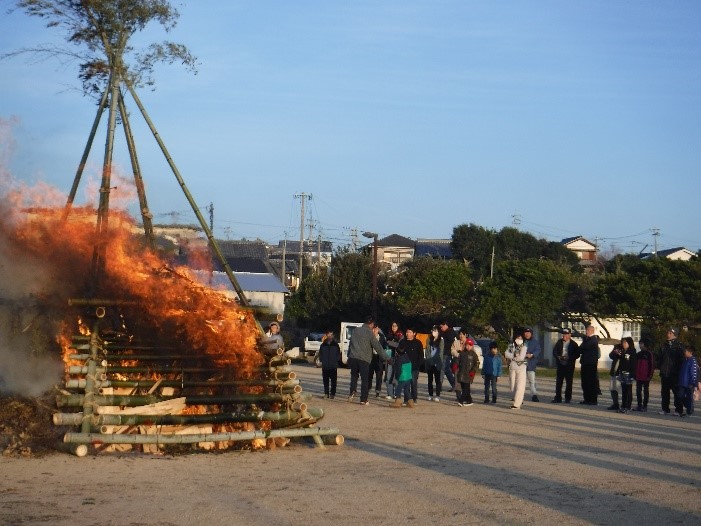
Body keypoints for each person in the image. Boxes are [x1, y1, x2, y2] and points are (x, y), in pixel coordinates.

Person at [347, 316, 386, 405]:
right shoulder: (369, 333)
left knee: (354, 376)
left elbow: (351, 344)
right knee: (365, 379)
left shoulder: (355, 330)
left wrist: (349, 356)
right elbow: (378, 347)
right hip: (364, 359)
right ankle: (363, 399)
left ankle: (352, 390)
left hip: (353, 357)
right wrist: (387, 358)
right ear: (371, 324)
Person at [657, 328, 684, 416]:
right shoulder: (664, 345)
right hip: (665, 373)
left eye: (670, 333)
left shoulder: (679, 346)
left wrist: (678, 371)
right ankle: (665, 409)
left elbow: (681, 360)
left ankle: (678, 410)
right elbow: (660, 358)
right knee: (664, 392)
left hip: (674, 374)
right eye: (667, 332)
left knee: (676, 392)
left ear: (674, 334)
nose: (668, 334)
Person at [397, 327, 424, 405]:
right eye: (407, 332)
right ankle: (407, 399)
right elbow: (399, 352)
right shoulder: (402, 342)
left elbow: (420, 355)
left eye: (409, 332)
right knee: (406, 383)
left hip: (415, 367)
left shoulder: (418, 343)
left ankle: (414, 398)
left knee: (413, 383)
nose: (408, 334)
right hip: (405, 366)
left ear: (414, 333)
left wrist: (418, 365)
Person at [551, 328, 579, 403]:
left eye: (566, 334)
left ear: (570, 335)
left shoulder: (574, 344)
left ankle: (568, 398)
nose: (564, 336)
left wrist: (569, 357)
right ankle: (558, 398)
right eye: (563, 334)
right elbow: (554, 352)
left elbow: (577, 354)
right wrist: (558, 357)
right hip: (560, 364)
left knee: (569, 382)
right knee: (559, 382)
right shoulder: (559, 342)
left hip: (569, 365)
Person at [578, 324, 600, 405]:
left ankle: (593, 400)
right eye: (586, 330)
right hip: (585, 363)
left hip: (591, 364)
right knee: (584, 382)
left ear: (592, 331)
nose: (586, 332)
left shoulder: (593, 340)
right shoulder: (586, 339)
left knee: (591, 382)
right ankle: (586, 399)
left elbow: (584, 347)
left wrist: (584, 343)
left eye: (587, 330)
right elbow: (580, 349)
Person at [505, 334, 528, 409]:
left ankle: (517, 404)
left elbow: (521, 357)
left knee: (520, 386)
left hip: (521, 368)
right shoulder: (511, 346)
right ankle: (516, 398)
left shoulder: (524, 347)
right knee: (513, 385)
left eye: (520, 338)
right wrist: (514, 356)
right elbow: (506, 354)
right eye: (518, 338)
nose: (519, 339)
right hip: (512, 367)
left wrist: (512, 356)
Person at [615, 336, 637, 413]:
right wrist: (618, 372)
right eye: (623, 342)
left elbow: (633, 364)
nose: (623, 344)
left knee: (628, 390)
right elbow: (621, 363)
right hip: (622, 373)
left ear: (629, 343)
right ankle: (623, 406)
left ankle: (628, 406)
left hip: (629, 374)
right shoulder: (623, 351)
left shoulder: (632, 351)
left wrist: (632, 375)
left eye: (625, 342)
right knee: (623, 391)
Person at [455, 337, 479, 407]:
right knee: (465, 389)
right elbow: (458, 361)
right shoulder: (462, 353)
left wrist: (473, 371)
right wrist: (455, 366)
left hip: (469, 374)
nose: (468, 347)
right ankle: (469, 400)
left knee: (465, 389)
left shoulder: (473, 355)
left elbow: (476, 364)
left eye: (470, 345)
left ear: (472, 346)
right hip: (461, 373)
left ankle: (461, 401)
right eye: (467, 345)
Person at [390, 341, 414, 408]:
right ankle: (410, 401)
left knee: (398, 389)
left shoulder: (399, 360)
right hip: (408, 376)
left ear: (397, 352)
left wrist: (397, 377)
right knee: (407, 390)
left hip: (402, 377)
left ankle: (397, 402)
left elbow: (398, 370)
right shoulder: (407, 357)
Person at [634, 337, 655, 412]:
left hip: (646, 376)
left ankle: (644, 406)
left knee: (645, 391)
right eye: (639, 343)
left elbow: (652, 365)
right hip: (638, 376)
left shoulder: (649, 353)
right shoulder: (638, 354)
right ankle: (639, 405)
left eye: (641, 344)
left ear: (645, 344)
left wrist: (650, 376)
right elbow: (636, 365)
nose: (640, 345)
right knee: (638, 391)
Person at [384, 322, 404, 400]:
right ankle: (390, 393)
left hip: (398, 358)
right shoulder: (389, 335)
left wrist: (390, 343)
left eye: (395, 326)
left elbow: (399, 345)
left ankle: (397, 393)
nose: (393, 327)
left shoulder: (401, 336)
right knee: (388, 376)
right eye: (392, 326)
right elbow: (385, 344)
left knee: (396, 377)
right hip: (389, 358)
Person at [677, 346, 699, 417]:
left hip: (689, 383)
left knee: (689, 398)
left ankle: (689, 412)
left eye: (686, 351)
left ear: (690, 352)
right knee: (680, 396)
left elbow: (694, 373)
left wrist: (693, 383)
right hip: (682, 383)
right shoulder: (685, 360)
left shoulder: (693, 361)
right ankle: (688, 408)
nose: (684, 352)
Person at [319, 329, 341, 399]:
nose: (330, 336)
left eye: (331, 334)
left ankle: (332, 394)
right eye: (328, 334)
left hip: (333, 366)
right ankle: (326, 393)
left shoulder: (336, 345)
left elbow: (338, 354)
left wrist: (336, 361)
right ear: (326, 335)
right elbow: (320, 354)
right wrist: (322, 360)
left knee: (333, 381)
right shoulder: (323, 345)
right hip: (325, 366)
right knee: (325, 381)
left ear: (333, 335)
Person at [424, 326, 444, 401]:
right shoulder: (428, 339)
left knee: (437, 380)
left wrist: (437, 362)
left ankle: (438, 395)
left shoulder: (441, 340)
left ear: (438, 332)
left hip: (437, 363)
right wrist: (430, 361)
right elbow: (427, 351)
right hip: (429, 362)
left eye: (435, 331)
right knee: (430, 379)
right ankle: (430, 394)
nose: (433, 332)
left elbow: (441, 352)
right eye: (432, 330)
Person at [368, 325, 387, 398]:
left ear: (378, 329)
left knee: (379, 375)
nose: (374, 331)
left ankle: (378, 391)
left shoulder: (381, 337)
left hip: (379, 359)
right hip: (371, 357)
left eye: (375, 329)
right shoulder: (369, 337)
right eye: (372, 329)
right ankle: (368, 388)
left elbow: (385, 346)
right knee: (369, 375)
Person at [523, 327, 541, 402]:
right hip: (521, 363)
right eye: (526, 333)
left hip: (531, 363)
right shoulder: (521, 341)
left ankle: (534, 395)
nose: (527, 334)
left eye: (528, 333)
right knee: (520, 380)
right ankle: (518, 395)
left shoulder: (535, 342)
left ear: (531, 334)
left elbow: (538, 350)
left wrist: (532, 354)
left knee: (532, 380)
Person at [438, 320, 457, 392]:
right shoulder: (443, 332)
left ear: (445, 325)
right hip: (443, 353)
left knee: (442, 369)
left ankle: (439, 386)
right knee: (447, 370)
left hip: (447, 353)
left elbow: (451, 343)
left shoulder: (450, 332)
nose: (441, 328)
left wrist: (443, 346)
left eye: (442, 326)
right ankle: (454, 385)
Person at [607, 341, 623, 411]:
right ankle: (615, 403)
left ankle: (625, 404)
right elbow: (610, 355)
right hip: (614, 370)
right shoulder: (617, 346)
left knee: (623, 389)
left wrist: (620, 354)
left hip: (622, 371)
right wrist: (615, 352)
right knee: (613, 388)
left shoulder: (630, 349)